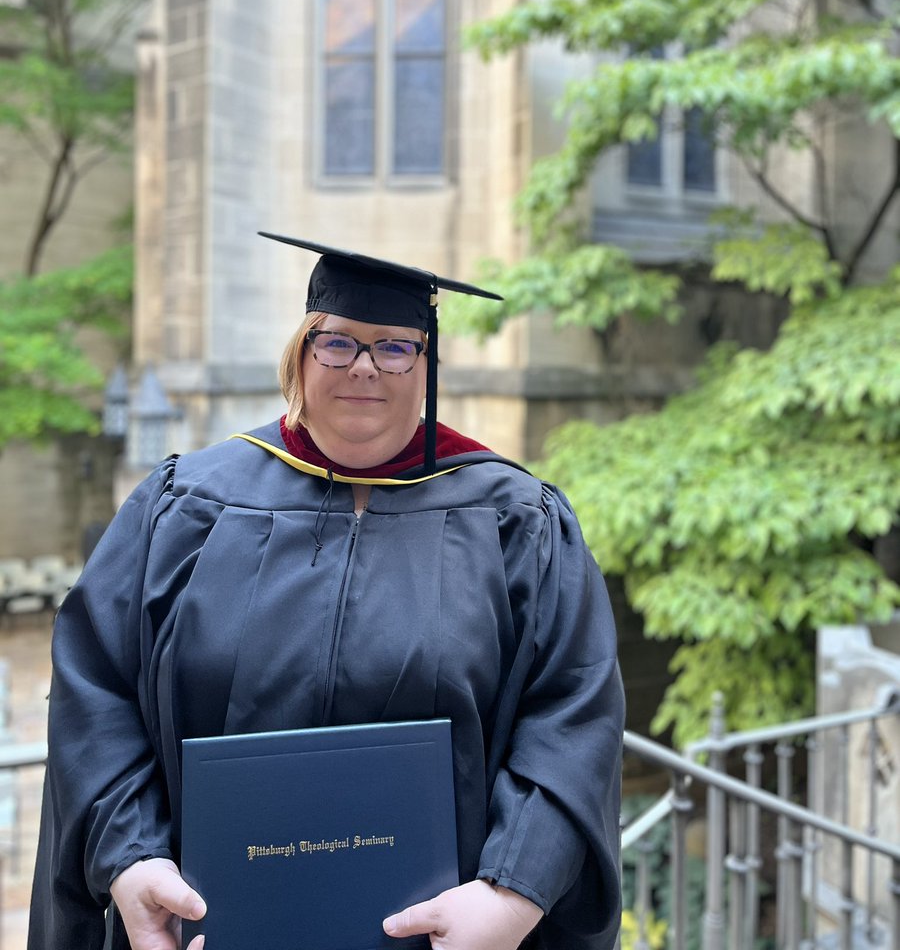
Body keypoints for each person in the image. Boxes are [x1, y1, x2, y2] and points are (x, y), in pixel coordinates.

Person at [29, 235, 625, 950]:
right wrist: (129, 857)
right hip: (209, 929)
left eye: (395, 346)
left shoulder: (517, 523)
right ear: (302, 355)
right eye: (338, 343)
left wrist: (512, 892)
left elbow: (574, 714)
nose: (365, 367)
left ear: (427, 363)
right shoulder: (186, 506)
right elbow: (95, 692)